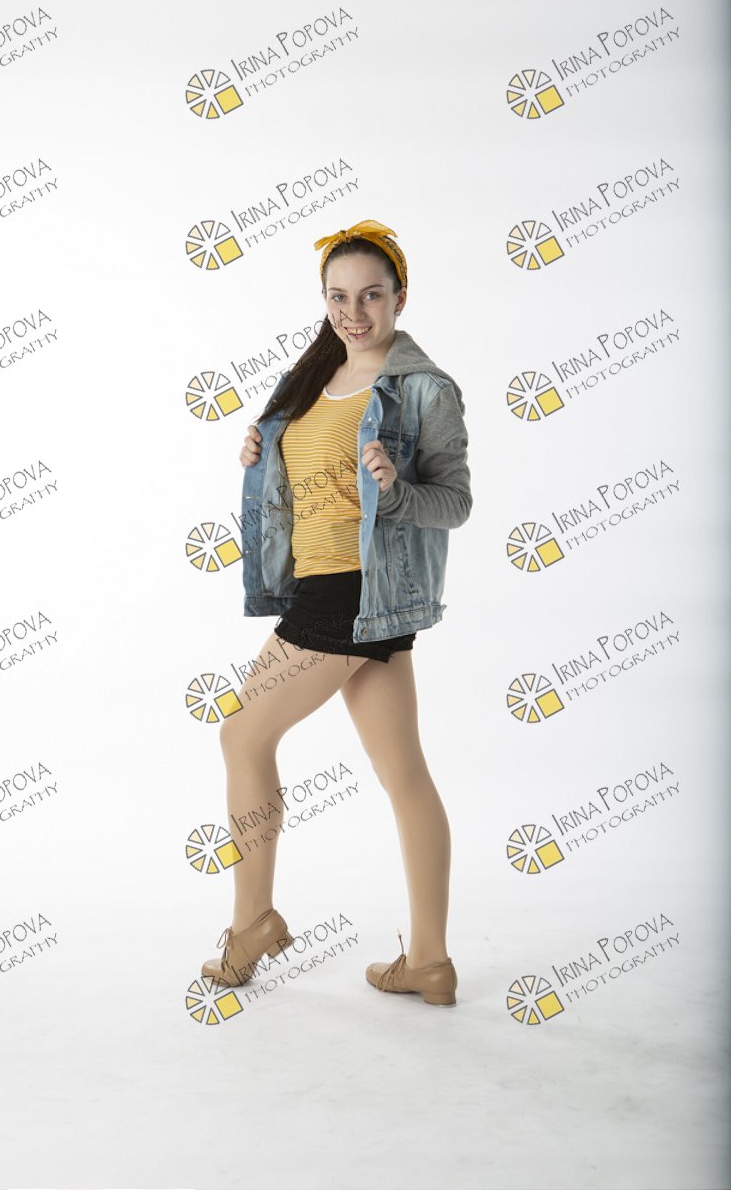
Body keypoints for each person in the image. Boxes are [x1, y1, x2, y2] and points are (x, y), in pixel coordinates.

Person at [201, 219, 473, 1007]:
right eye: (339, 297)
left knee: (242, 734)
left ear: (400, 297)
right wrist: (262, 457)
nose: (354, 312)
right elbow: (307, 481)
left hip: (356, 588)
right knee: (404, 772)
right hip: (334, 587)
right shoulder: (315, 377)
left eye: (371, 296)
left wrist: (398, 490)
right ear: (325, 301)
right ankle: (429, 961)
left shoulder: (423, 389)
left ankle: (253, 922)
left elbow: (455, 502)